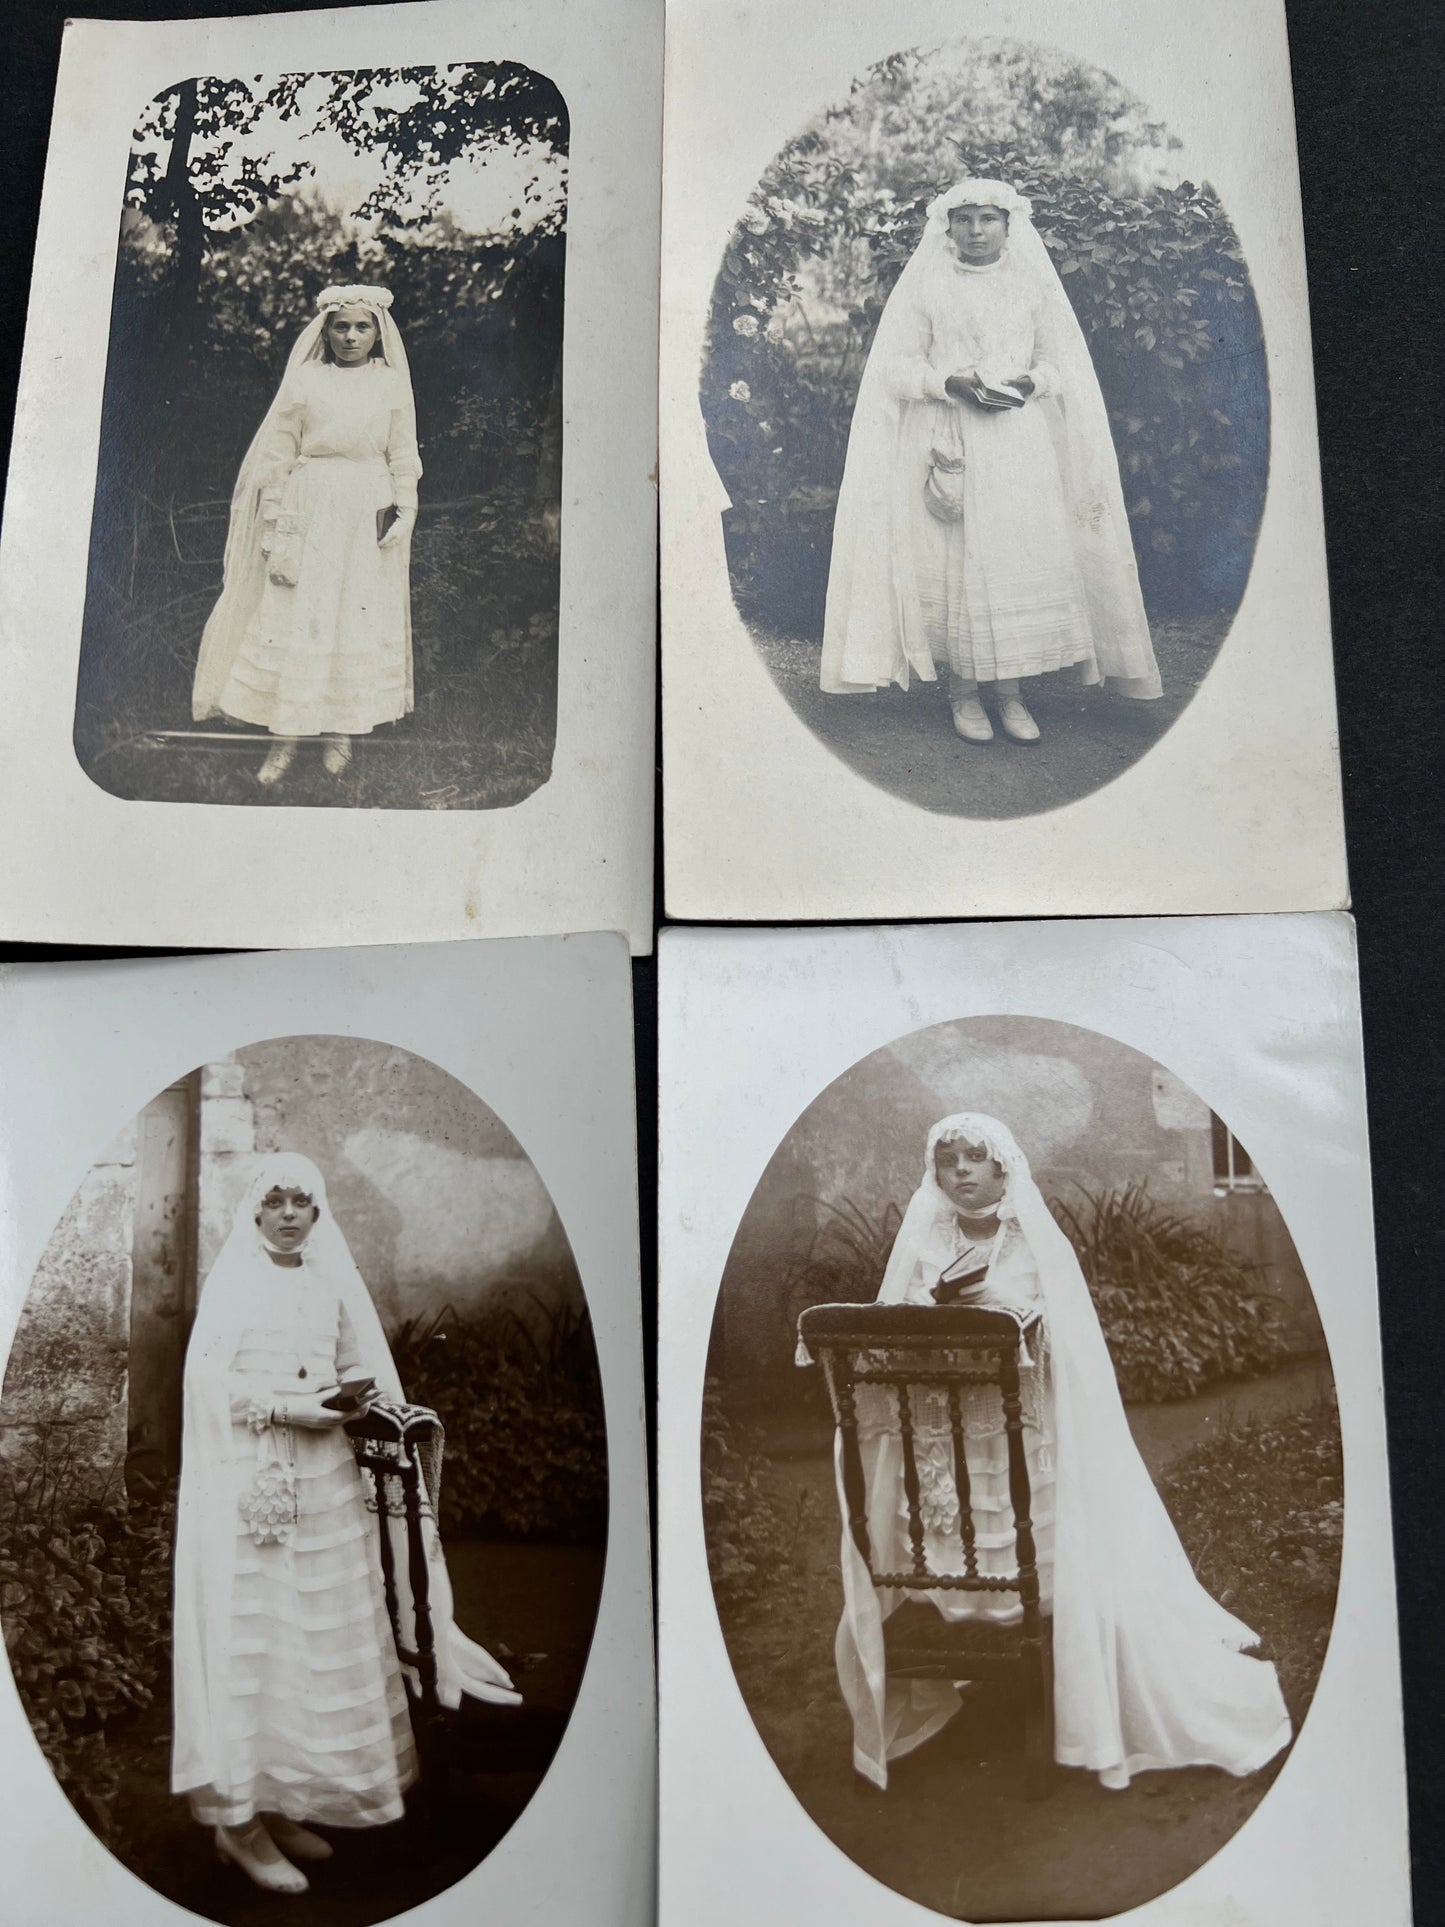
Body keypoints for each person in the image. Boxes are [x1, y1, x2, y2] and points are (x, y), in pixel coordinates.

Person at [815, 1114, 1291, 1791]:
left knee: (1025, 1516)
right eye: (948, 1161)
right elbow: (893, 1318)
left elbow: (1060, 1339)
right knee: (955, 1516)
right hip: (944, 1425)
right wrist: (929, 1312)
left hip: (1021, 1423)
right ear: (935, 1174)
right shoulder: (923, 1240)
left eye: (975, 1159)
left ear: (1004, 1169)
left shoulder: (1033, 1242)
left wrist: (1007, 1318)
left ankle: (1043, 1629)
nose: (962, 1171)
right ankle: (964, 1613)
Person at [172, 1154, 519, 1895]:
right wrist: (291, 1407)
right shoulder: (233, 1281)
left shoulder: (329, 1281)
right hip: (253, 1478)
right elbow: (208, 1381)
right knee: (256, 1635)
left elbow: (356, 1365)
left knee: (313, 1634)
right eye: (276, 1200)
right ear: (255, 1213)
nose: (291, 1211)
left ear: (317, 1214)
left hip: (325, 1480)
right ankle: (237, 1822)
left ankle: (284, 1797)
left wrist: (355, 1401)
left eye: (303, 1200)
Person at [819, 181, 1162, 747]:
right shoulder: (929, 284)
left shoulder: (1032, 285)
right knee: (956, 562)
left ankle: (1011, 694)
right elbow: (896, 368)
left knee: (1008, 558)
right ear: (947, 226)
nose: (976, 231)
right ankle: (963, 694)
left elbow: (1059, 364)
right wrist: (945, 382)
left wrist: (1030, 382)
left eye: (987, 219)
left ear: (1009, 225)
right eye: (964, 219)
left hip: (1017, 444)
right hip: (948, 438)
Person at [192, 286, 421, 788]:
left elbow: (402, 450)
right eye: (342, 326)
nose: (351, 336)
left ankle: (340, 730)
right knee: (298, 613)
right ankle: (286, 737)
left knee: (352, 609)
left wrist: (406, 503)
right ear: (326, 330)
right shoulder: (307, 379)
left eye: (362, 327)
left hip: (366, 505)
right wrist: (274, 517)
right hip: (309, 502)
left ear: (378, 333)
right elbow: (278, 454)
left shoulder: (389, 383)